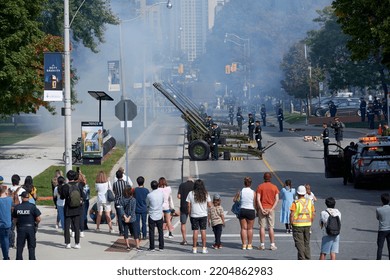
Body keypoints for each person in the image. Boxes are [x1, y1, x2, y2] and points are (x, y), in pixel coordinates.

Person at [60, 170, 85, 249]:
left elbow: (62, 197)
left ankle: (68, 243)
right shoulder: (79, 185)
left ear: (67, 177)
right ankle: (77, 243)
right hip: (77, 208)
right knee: (76, 226)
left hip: (68, 208)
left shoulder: (65, 186)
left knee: (67, 226)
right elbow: (83, 196)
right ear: (75, 177)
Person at [12, 191, 41, 259]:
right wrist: (36, 224)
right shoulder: (32, 207)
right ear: (28, 198)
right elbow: (38, 219)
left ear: (22, 198)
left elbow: (14, 220)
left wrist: (16, 226)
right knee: (31, 247)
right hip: (31, 229)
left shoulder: (17, 207)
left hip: (21, 228)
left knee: (19, 247)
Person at [290, 185, 316, 260]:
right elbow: (313, 213)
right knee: (306, 244)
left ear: (297, 194)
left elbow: (292, 214)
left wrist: (291, 224)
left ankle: (302, 259)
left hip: (297, 225)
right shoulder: (310, 202)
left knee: (299, 244)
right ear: (304, 193)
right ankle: (307, 259)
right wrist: (310, 222)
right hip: (307, 225)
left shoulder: (295, 203)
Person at [186, 179, 212, 254]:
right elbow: (210, 205)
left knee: (195, 231)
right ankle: (204, 248)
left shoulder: (191, 193)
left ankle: (194, 248)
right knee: (203, 230)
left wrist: (189, 214)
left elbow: (188, 205)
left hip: (194, 214)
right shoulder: (206, 194)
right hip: (203, 215)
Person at [256, 172, 279, 250]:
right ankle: (272, 244)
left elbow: (258, 199)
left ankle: (262, 244)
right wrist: (271, 209)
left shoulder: (260, 187)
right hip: (270, 209)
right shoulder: (274, 187)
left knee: (262, 227)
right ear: (270, 178)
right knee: (271, 227)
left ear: (264, 178)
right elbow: (277, 199)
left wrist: (261, 209)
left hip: (262, 208)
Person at [234, 176, 256, 250]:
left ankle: (244, 244)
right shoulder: (253, 192)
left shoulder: (241, 192)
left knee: (243, 228)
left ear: (244, 183)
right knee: (250, 229)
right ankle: (249, 245)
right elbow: (255, 202)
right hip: (250, 210)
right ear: (250, 184)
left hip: (242, 210)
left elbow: (234, 200)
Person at [146, 180, 164, 252]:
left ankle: (152, 247)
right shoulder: (161, 194)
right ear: (157, 186)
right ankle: (161, 247)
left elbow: (147, 204)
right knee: (160, 231)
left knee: (151, 231)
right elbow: (162, 201)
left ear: (151, 187)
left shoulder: (149, 195)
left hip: (152, 214)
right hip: (159, 214)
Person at [177, 177, 194, 245]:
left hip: (183, 207)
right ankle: (195, 240)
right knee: (195, 224)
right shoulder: (195, 185)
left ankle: (184, 240)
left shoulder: (182, 185)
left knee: (183, 223)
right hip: (193, 208)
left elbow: (178, 196)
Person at [112, 170, 128, 235]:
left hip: (117, 201)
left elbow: (114, 191)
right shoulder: (126, 183)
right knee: (125, 215)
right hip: (125, 201)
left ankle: (121, 231)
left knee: (119, 216)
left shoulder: (115, 184)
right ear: (122, 176)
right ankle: (126, 229)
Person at [376, 193, 390, 260]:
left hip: (382, 230)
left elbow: (378, 218)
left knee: (380, 247)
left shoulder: (378, 209)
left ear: (381, 201)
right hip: (389, 229)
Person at [135, 176, 149, 240]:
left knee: (137, 222)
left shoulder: (135, 190)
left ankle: (138, 234)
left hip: (137, 208)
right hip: (144, 208)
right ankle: (144, 234)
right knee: (144, 222)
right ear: (143, 182)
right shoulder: (146, 190)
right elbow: (148, 200)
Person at [0, 185, 12, 260]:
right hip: (8, 222)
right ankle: (6, 255)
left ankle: (6, 256)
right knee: (6, 239)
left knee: (4, 241)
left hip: (1, 224)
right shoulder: (9, 199)